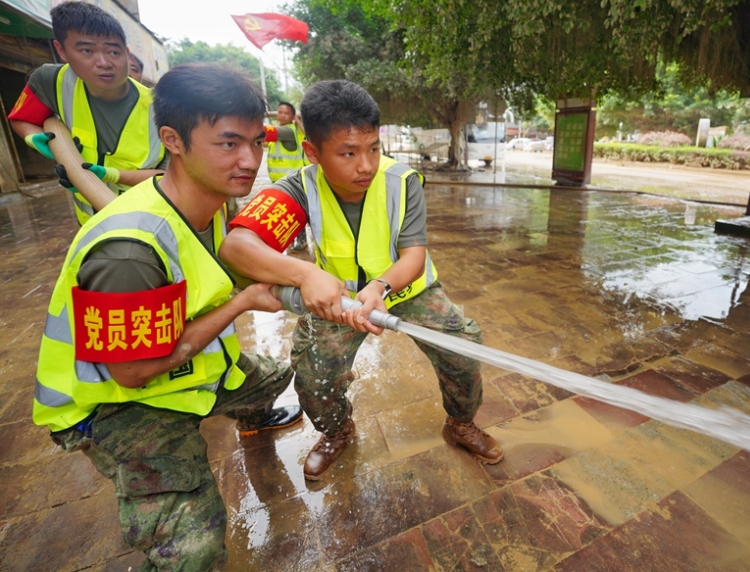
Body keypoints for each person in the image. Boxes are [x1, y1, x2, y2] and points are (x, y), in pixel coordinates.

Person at [32, 63, 303, 571]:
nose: (248, 160)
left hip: (175, 369)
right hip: (112, 403)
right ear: (173, 140)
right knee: (193, 548)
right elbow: (133, 372)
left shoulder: (209, 198)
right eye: (228, 143)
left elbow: (229, 266)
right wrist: (242, 302)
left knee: (275, 375)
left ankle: (248, 420)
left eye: (256, 142)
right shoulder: (128, 253)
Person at [219, 80, 503, 482]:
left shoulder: (402, 182)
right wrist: (306, 274)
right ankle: (337, 432)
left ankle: (460, 422)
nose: (365, 165)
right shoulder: (299, 188)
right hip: (337, 301)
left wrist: (380, 287)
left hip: (406, 289)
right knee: (315, 374)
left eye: (373, 148)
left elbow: (414, 257)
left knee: (461, 346)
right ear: (313, 152)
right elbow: (236, 247)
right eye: (348, 153)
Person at [8, 1, 166, 224]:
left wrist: (108, 175)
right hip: (90, 224)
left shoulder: (160, 107)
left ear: (126, 53)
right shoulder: (51, 82)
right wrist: (36, 140)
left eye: (113, 51)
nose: (103, 62)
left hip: (150, 222)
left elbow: (172, 178)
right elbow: (22, 119)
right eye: (87, 50)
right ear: (61, 50)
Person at [263, 101, 309, 249]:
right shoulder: (282, 131)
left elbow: (263, 132)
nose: (282, 115)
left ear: (292, 116)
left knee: (293, 211)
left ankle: (300, 242)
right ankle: (292, 241)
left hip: (290, 180)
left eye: (286, 113)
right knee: (286, 211)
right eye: (280, 112)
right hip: (280, 180)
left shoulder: (287, 131)